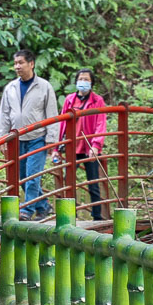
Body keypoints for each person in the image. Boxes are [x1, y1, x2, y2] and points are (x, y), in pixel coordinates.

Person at [0, 49, 59, 221]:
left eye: (21, 62)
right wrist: (0, 139)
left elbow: (52, 114)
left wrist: (52, 141)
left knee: (32, 176)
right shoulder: (11, 88)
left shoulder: (44, 87)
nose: (17, 66)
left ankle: (27, 210)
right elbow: (4, 115)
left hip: (37, 137)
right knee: (22, 177)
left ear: (31, 64)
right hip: (17, 139)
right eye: (15, 63)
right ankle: (43, 206)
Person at [54, 69, 108, 221]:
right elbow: (62, 123)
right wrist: (57, 147)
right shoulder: (70, 99)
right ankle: (69, 215)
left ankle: (97, 216)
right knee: (68, 181)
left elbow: (100, 123)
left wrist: (96, 145)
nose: (83, 82)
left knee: (93, 182)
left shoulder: (98, 101)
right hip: (73, 146)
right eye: (80, 79)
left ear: (91, 83)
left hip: (89, 146)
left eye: (86, 79)